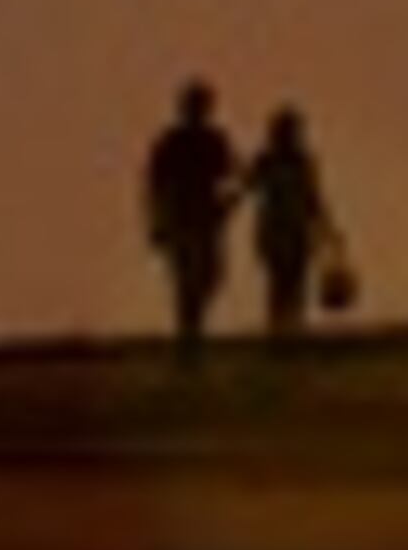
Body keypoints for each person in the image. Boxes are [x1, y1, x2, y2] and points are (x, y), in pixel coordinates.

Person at [141, 76, 239, 351]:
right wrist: (157, 221)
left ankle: (192, 326)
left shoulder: (215, 139)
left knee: (211, 275)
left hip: (207, 216)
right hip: (180, 215)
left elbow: (232, 174)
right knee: (186, 277)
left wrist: (228, 203)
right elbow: (155, 184)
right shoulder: (171, 142)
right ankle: (189, 333)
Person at [242, 101, 339, 344]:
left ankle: (293, 330)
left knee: (295, 280)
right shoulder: (267, 160)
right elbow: (248, 185)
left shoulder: (302, 161)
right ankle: (280, 330)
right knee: (280, 281)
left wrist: (327, 228)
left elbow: (312, 197)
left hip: (295, 229)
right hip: (275, 230)